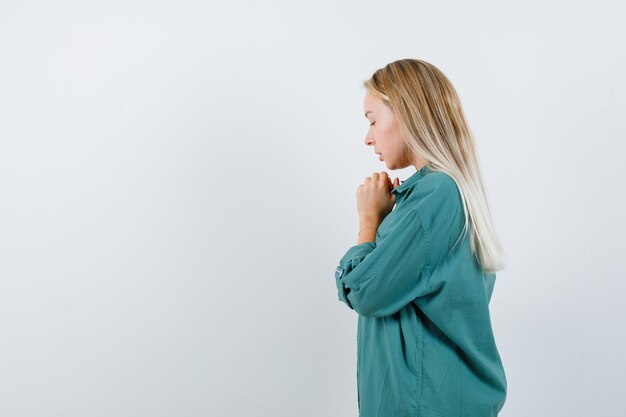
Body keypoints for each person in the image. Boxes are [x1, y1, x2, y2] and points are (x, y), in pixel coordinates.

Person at [334, 59, 508, 417]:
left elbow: (365, 292)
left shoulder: (435, 195)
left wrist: (368, 223)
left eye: (372, 120)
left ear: (407, 113)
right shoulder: (440, 193)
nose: (367, 137)